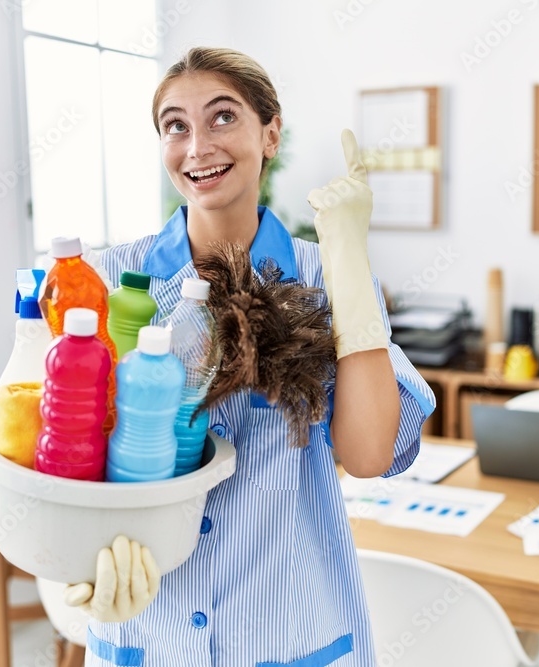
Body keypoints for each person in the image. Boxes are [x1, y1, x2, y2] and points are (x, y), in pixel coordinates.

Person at [64, 46, 436, 666]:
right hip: (148, 633)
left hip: (291, 631)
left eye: (222, 117)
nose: (197, 146)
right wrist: (75, 555)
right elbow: (69, 446)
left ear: (270, 133)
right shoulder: (106, 279)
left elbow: (369, 453)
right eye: (175, 126)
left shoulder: (331, 277)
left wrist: (346, 255)